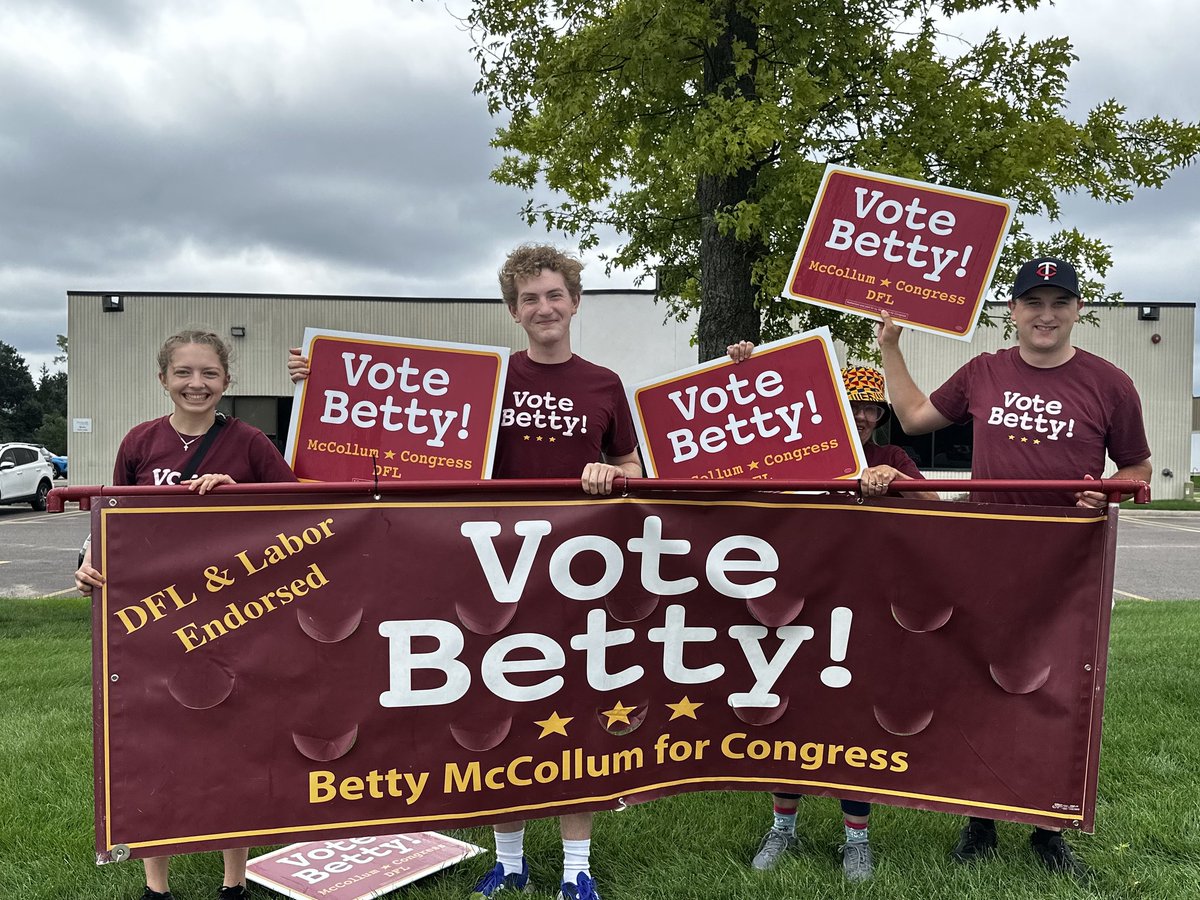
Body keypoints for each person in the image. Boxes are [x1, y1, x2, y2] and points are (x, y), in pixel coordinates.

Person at [288, 244, 641, 900]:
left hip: (575, 574)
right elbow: (397, 435)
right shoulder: (486, 380)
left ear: (575, 302)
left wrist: (612, 473)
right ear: (513, 311)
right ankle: (509, 860)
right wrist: (324, 384)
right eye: (530, 298)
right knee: (496, 710)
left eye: (554, 295)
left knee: (575, 714)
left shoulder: (605, 384)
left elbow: (635, 469)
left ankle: (576, 868)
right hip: (489, 573)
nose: (544, 308)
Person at [877, 256, 1152, 876]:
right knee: (980, 682)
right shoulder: (984, 371)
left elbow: (1137, 469)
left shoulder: (1110, 384)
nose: (1046, 315)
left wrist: (1108, 487)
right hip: (989, 554)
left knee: (1055, 691)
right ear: (1014, 311)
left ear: (1079, 310)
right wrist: (890, 346)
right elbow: (918, 418)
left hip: (1066, 561)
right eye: (1034, 302)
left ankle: (1048, 828)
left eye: (1059, 302)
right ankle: (979, 821)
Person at [76, 329, 298, 900]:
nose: (196, 384)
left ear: (228, 381)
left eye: (209, 374)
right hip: (153, 621)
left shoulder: (250, 444)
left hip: (237, 614)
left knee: (235, 741)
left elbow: (301, 516)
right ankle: (157, 886)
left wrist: (239, 494)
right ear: (163, 379)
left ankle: (234, 882)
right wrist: (89, 565)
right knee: (157, 744)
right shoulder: (140, 442)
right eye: (184, 373)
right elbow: (112, 521)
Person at [726, 348, 938, 881]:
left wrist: (897, 482)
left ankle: (856, 837)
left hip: (865, 609)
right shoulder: (797, 451)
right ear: (829, 405)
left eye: (871, 407)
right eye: (852, 403)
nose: (863, 415)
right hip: (796, 603)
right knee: (788, 710)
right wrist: (747, 374)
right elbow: (740, 444)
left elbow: (932, 513)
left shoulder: (893, 455)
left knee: (855, 719)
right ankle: (783, 826)